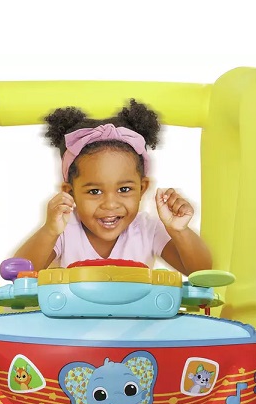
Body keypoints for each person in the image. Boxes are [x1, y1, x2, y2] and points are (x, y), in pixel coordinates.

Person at [14, 99, 212, 275]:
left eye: (124, 190)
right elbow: (18, 272)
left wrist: (179, 230)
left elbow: (201, 271)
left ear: (142, 188)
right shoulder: (64, 230)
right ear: (70, 192)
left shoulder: (148, 229)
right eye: (94, 191)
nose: (110, 204)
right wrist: (50, 231)